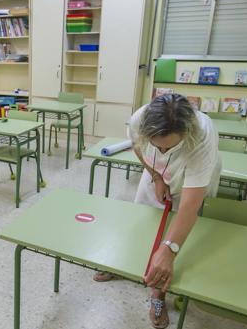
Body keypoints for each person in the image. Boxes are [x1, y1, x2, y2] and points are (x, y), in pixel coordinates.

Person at [95, 93, 221, 329]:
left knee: (176, 237)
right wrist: (156, 176)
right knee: (144, 219)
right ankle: (129, 266)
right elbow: (137, 146)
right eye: (157, 145)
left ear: (186, 134)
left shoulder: (202, 136)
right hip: (156, 172)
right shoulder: (139, 119)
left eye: (169, 146)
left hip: (191, 174)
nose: (162, 150)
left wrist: (169, 251)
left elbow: (189, 207)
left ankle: (158, 295)